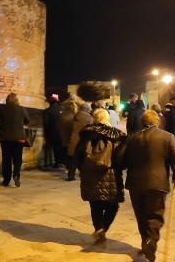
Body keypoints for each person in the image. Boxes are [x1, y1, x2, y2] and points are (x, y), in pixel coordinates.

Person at [120, 110, 175, 262]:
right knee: (155, 215)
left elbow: (122, 160)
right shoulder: (167, 137)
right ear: (157, 122)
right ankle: (150, 242)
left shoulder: (132, 138)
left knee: (141, 214)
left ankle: (145, 241)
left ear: (142, 122)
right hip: (157, 182)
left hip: (135, 183)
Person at [74, 108, 126, 244]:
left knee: (95, 204)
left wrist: (84, 168)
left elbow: (77, 155)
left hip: (90, 176)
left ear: (95, 118)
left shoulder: (86, 134)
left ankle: (98, 228)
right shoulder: (116, 136)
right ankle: (104, 229)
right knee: (113, 206)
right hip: (111, 176)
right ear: (107, 118)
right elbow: (121, 158)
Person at [0, 93, 30, 187]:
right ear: (17, 100)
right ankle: (16, 175)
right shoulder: (22, 109)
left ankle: (6, 180)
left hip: (5, 138)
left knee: (6, 159)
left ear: (7, 100)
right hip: (19, 137)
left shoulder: (2, 109)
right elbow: (27, 120)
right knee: (17, 159)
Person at [67, 103, 93, 181]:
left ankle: (71, 175)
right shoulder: (90, 118)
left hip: (74, 139)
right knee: (85, 158)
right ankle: (84, 174)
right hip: (84, 139)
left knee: (74, 158)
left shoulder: (75, 116)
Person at [58, 101, 78, 172]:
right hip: (70, 136)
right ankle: (69, 167)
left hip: (62, 136)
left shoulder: (62, 115)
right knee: (70, 153)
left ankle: (65, 165)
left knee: (65, 150)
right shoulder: (74, 117)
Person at [43, 96, 62, 169]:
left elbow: (46, 123)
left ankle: (47, 163)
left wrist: (46, 132)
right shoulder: (60, 110)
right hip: (59, 133)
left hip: (50, 132)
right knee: (57, 148)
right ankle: (57, 163)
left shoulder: (47, 111)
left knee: (48, 148)